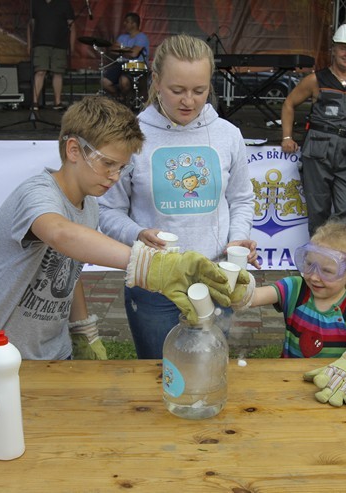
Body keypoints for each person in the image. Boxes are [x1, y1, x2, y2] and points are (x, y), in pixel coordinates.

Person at [0, 96, 237, 360]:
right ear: (73, 149)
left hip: (50, 352)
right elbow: (61, 235)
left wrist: (82, 330)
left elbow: (69, 267)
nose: (114, 177)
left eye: (121, 168)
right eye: (108, 164)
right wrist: (153, 265)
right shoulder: (37, 193)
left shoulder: (89, 205)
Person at [98, 34, 257, 359]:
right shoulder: (131, 136)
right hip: (152, 281)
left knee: (206, 366)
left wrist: (239, 238)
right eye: (177, 90)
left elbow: (241, 198)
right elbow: (107, 210)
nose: (189, 101)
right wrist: (136, 233)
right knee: (158, 373)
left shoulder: (228, 135)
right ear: (156, 82)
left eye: (199, 91)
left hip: (215, 277)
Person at [239, 220, 346, 407]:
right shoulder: (295, 289)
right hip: (287, 383)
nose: (313, 276)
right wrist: (230, 282)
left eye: (327, 271)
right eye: (310, 265)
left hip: (331, 387)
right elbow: (251, 297)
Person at [280, 24, 346, 236]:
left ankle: (334, 253)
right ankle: (318, 261)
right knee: (318, 210)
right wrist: (287, 136)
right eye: (343, 48)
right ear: (334, 49)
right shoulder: (315, 79)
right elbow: (288, 104)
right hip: (318, 149)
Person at [28, 0, 76, 111]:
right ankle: (34, 102)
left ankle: (57, 102)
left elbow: (72, 26)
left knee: (58, 72)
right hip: (40, 44)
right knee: (40, 71)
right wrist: (29, 44)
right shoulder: (35, 3)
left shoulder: (64, 4)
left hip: (60, 44)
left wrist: (72, 46)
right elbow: (30, 25)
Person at [102, 12, 149, 102]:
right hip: (121, 64)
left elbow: (134, 54)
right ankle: (120, 97)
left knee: (124, 82)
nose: (124, 24)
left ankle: (125, 100)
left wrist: (121, 49)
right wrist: (128, 49)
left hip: (136, 66)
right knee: (105, 82)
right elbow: (112, 50)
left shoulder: (142, 37)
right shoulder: (122, 37)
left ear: (134, 24)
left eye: (127, 22)